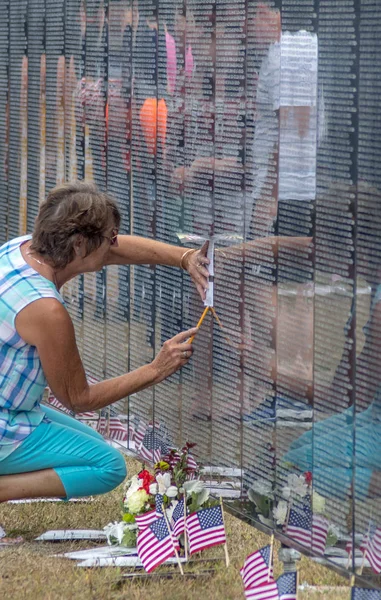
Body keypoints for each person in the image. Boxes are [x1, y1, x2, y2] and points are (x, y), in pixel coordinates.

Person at [0, 181, 209, 504]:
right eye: (109, 237)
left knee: (91, 440)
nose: (114, 244)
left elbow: (114, 250)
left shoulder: (20, 249)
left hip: (12, 407)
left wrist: (185, 258)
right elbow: (79, 398)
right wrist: (156, 369)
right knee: (106, 465)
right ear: (80, 245)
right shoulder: (45, 309)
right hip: (5, 422)